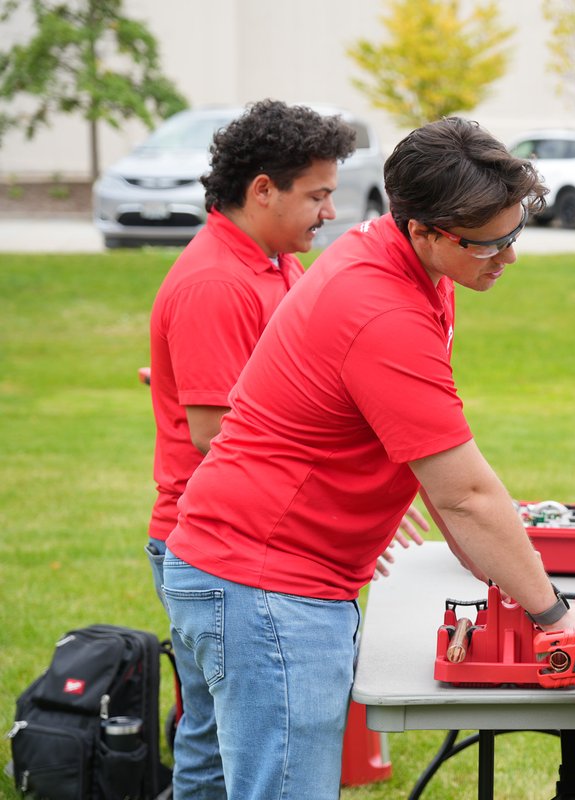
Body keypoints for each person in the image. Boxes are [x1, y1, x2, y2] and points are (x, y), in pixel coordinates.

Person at [160, 116, 575, 800]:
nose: (508, 257)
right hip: (266, 583)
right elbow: (466, 494)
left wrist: (497, 567)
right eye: (491, 244)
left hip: (263, 575)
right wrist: (553, 613)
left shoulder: (410, 263)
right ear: (423, 228)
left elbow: (433, 468)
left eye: (514, 235)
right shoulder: (381, 309)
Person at [147, 99, 359, 800]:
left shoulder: (271, 265)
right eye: (317, 195)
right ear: (262, 188)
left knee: (216, 736)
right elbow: (216, 435)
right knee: (213, 744)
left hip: (240, 543)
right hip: (219, 545)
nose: (329, 212)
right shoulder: (217, 282)